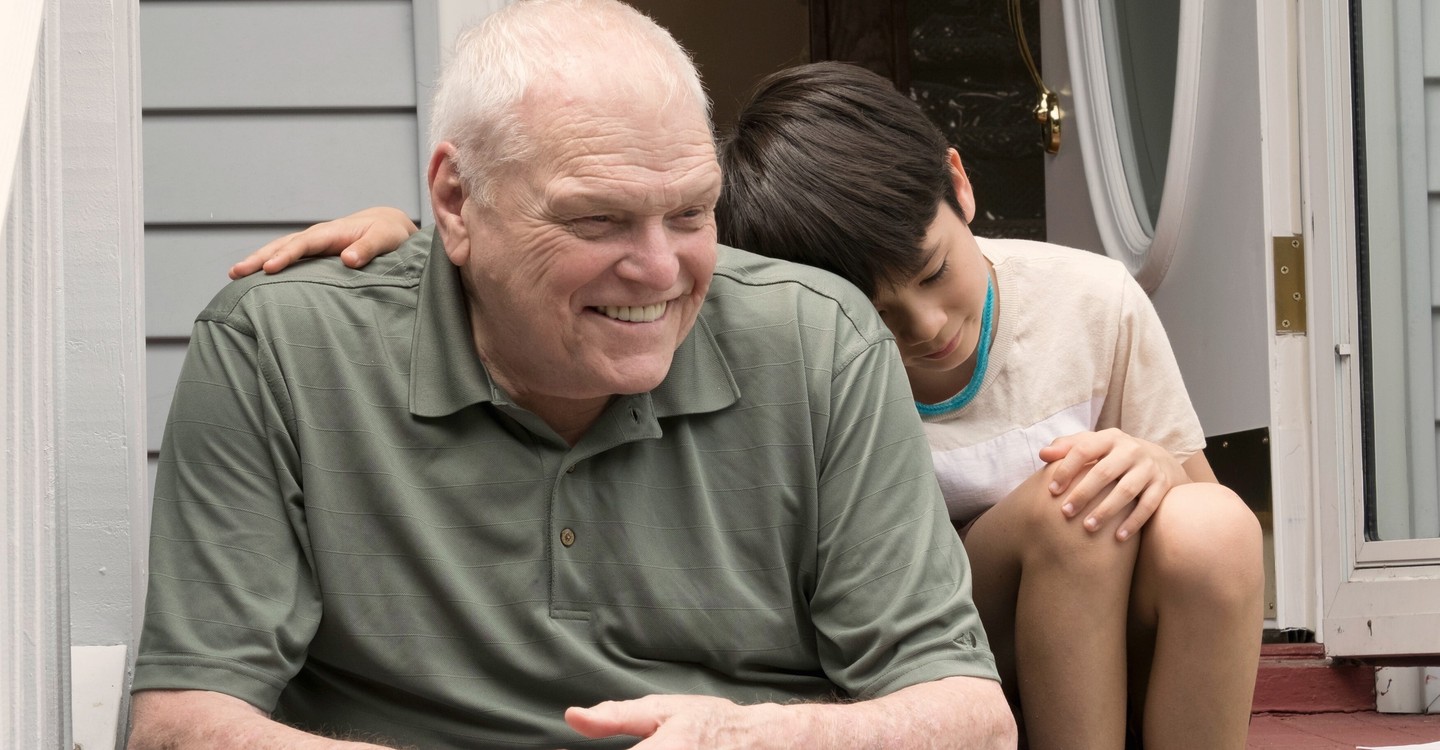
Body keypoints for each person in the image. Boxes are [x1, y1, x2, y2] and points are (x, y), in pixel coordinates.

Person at [243, 62, 1265, 749]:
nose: (921, 325)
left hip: (1090, 635)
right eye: (874, 310)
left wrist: (1150, 465)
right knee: (1071, 513)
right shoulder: (796, 339)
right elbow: (559, 263)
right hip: (911, 647)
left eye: (930, 271)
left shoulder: (1090, 300)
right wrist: (409, 239)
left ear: (959, 185)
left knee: (1203, 524)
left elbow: (1195, 515)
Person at [128, 3, 1017, 749]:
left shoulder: (818, 343)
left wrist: (751, 735)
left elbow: (972, 718)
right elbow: (182, 721)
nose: (661, 270)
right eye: (598, 220)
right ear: (456, 202)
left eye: (691, 212)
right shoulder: (280, 351)